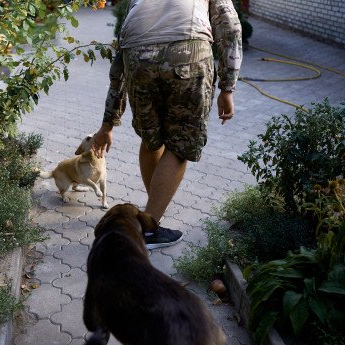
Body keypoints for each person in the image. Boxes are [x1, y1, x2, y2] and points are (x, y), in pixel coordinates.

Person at [92, 0, 243, 249]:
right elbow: (231, 28)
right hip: (189, 51)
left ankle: (153, 214)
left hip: (137, 57)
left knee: (151, 138)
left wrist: (107, 124)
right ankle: (148, 231)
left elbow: (120, 58)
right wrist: (228, 86)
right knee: (180, 146)